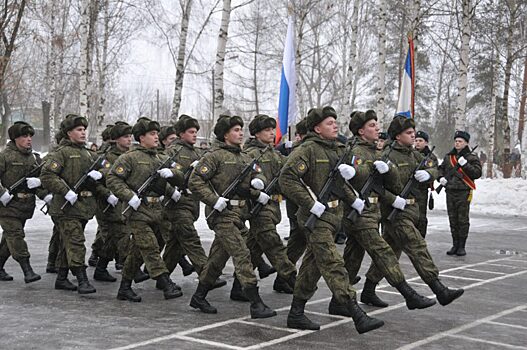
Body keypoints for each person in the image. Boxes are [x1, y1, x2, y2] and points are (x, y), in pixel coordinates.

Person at [279, 106, 384, 334]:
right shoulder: (307, 150)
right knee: (333, 263)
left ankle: (296, 313)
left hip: (333, 216)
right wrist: (309, 202)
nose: (335, 125)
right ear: (317, 128)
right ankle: (357, 313)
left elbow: (338, 183)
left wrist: (353, 199)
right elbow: (286, 178)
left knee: (312, 267)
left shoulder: (337, 149)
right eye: (329, 123)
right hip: (315, 219)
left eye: (335, 122)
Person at [361, 115, 464, 308]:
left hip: (411, 210)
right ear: (398, 136)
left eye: (413, 132)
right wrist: (393, 199)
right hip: (394, 213)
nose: (413, 136)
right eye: (409, 133)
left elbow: (434, 168)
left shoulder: (413, 154)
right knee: (417, 246)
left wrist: (429, 174)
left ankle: (368, 290)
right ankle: (439, 289)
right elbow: (375, 187)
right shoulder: (386, 156)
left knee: (390, 252)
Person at [340, 111, 435, 312]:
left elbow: (384, 186)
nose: (377, 128)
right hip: (359, 213)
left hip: (372, 212)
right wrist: (356, 198)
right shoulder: (357, 152)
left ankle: (338, 302)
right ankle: (408, 293)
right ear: (361, 131)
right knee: (384, 253)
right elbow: (350, 182)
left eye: (377, 124)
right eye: (372, 125)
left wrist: (390, 181)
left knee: (352, 258)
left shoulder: (375, 152)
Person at [188, 114, 276, 319]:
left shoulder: (244, 156)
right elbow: (195, 181)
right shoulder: (214, 156)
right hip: (221, 215)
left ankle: (199, 296)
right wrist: (213, 199)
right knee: (242, 253)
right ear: (225, 134)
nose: (240, 133)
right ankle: (256, 303)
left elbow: (257, 173)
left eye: (240, 130)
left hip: (239, 215)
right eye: (236, 130)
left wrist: (258, 183)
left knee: (217, 259)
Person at [107, 117, 185, 302]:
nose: (156, 137)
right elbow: (113, 179)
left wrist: (172, 175)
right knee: (149, 247)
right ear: (141, 137)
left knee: (138, 251)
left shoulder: (162, 157)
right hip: (137, 211)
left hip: (157, 209)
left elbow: (181, 174)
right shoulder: (129, 158)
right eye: (152, 134)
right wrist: (129, 196)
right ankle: (166, 283)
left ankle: (124, 287)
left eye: (157, 133)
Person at [41, 114, 106, 294]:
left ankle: (61, 278)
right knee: (76, 242)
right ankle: (82, 279)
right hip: (65, 208)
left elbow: (107, 170)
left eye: (84, 129)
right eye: (79, 130)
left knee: (66, 243)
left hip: (84, 207)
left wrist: (101, 175)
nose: (83, 133)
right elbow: (47, 175)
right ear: (69, 133)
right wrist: (65, 191)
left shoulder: (89, 154)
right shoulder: (61, 153)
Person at [162, 115, 226, 290]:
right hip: (177, 203)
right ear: (181, 133)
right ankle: (206, 275)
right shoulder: (172, 152)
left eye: (196, 132)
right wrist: (172, 191)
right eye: (191, 132)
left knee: (175, 244)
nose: (195, 135)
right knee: (190, 238)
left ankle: (162, 275)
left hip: (192, 202)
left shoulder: (197, 152)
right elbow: (160, 176)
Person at [244, 114, 297, 295]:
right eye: (267, 130)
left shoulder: (273, 153)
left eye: (272, 129)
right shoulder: (250, 154)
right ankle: (291, 277)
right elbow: (241, 180)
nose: (271, 133)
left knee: (253, 248)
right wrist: (256, 194)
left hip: (274, 206)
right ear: (256, 133)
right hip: (259, 208)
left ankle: (238, 286)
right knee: (274, 244)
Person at [0, 121, 48, 283]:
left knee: (9, 238)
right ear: (14, 139)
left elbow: (43, 179)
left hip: (26, 206)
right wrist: (1, 194)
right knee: (16, 236)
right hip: (7, 206)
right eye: (24, 136)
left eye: (30, 136)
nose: (28, 139)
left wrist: (42, 188)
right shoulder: (4, 156)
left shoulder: (34, 158)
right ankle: (27, 270)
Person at [439, 130, 482, 256]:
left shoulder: (471, 157)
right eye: (456, 141)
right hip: (450, 191)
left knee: (462, 220)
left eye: (460, 141)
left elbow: (477, 173)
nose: (457, 143)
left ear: (466, 143)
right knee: (452, 219)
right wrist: (440, 178)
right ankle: (455, 244)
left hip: (464, 192)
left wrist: (466, 165)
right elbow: (441, 169)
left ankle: (462, 246)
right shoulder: (449, 157)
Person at [414, 130, 438, 238]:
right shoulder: (410, 153)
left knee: (421, 217)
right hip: (409, 189)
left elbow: (434, 170)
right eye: (416, 140)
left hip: (421, 190)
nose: (417, 143)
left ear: (426, 142)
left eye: (420, 140)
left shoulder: (430, 157)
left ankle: (420, 238)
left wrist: (426, 173)